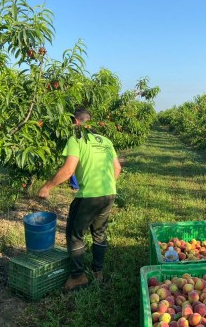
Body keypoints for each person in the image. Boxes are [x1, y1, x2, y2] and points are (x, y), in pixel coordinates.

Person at [38, 108, 122, 292]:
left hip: (90, 196)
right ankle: (98, 272)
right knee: (99, 232)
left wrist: (47, 187)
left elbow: (68, 170)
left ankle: (78, 276)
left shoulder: (76, 138)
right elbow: (117, 168)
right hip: (109, 193)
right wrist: (105, 187)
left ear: (76, 122)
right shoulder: (106, 141)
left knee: (75, 233)